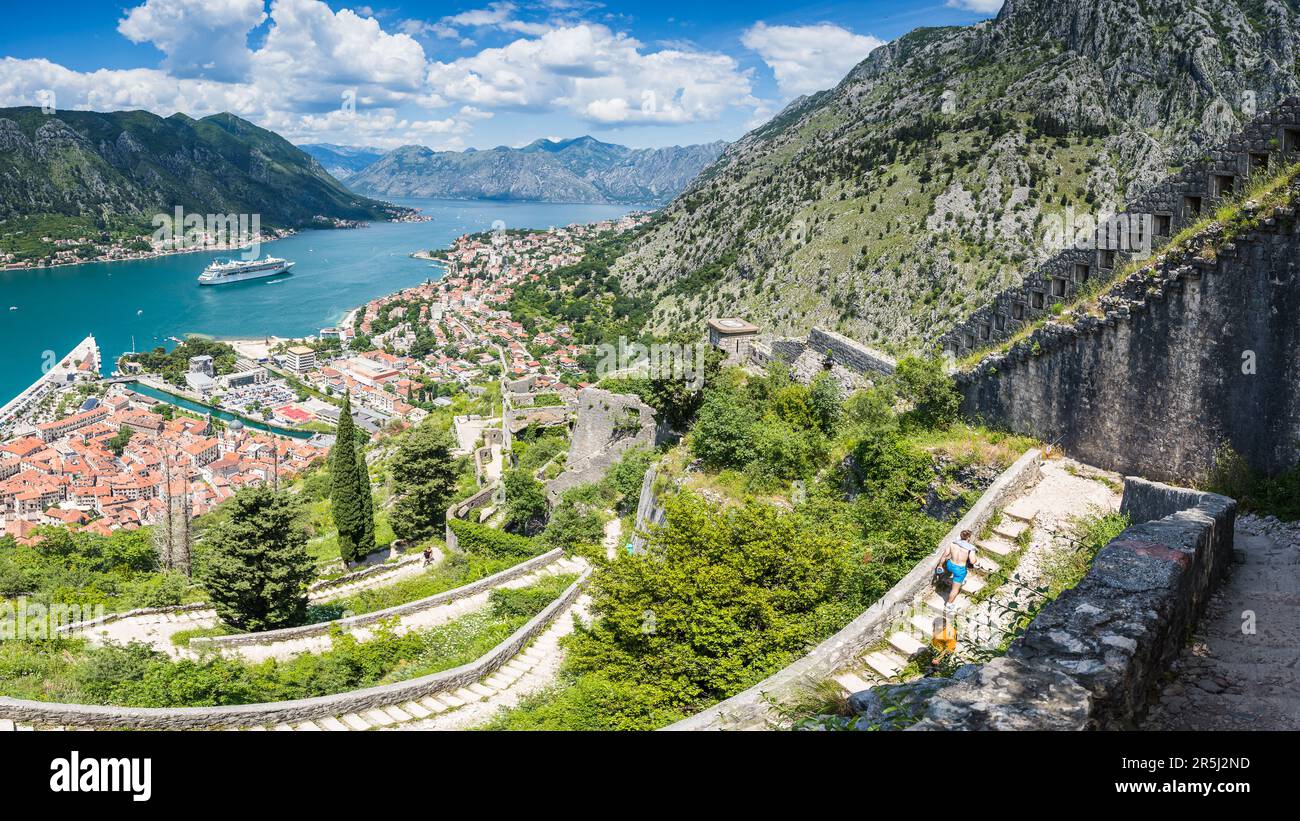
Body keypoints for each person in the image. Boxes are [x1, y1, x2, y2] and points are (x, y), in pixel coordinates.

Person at [934, 529, 978, 612]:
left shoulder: (953, 543)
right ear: (968, 538)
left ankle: (957, 580)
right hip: (960, 570)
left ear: (960, 536)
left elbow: (944, 555)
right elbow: (972, 561)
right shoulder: (971, 548)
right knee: (955, 589)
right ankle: (949, 605)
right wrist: (975, 559)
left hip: (950, 565)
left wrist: (940, 565)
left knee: (956, 575)